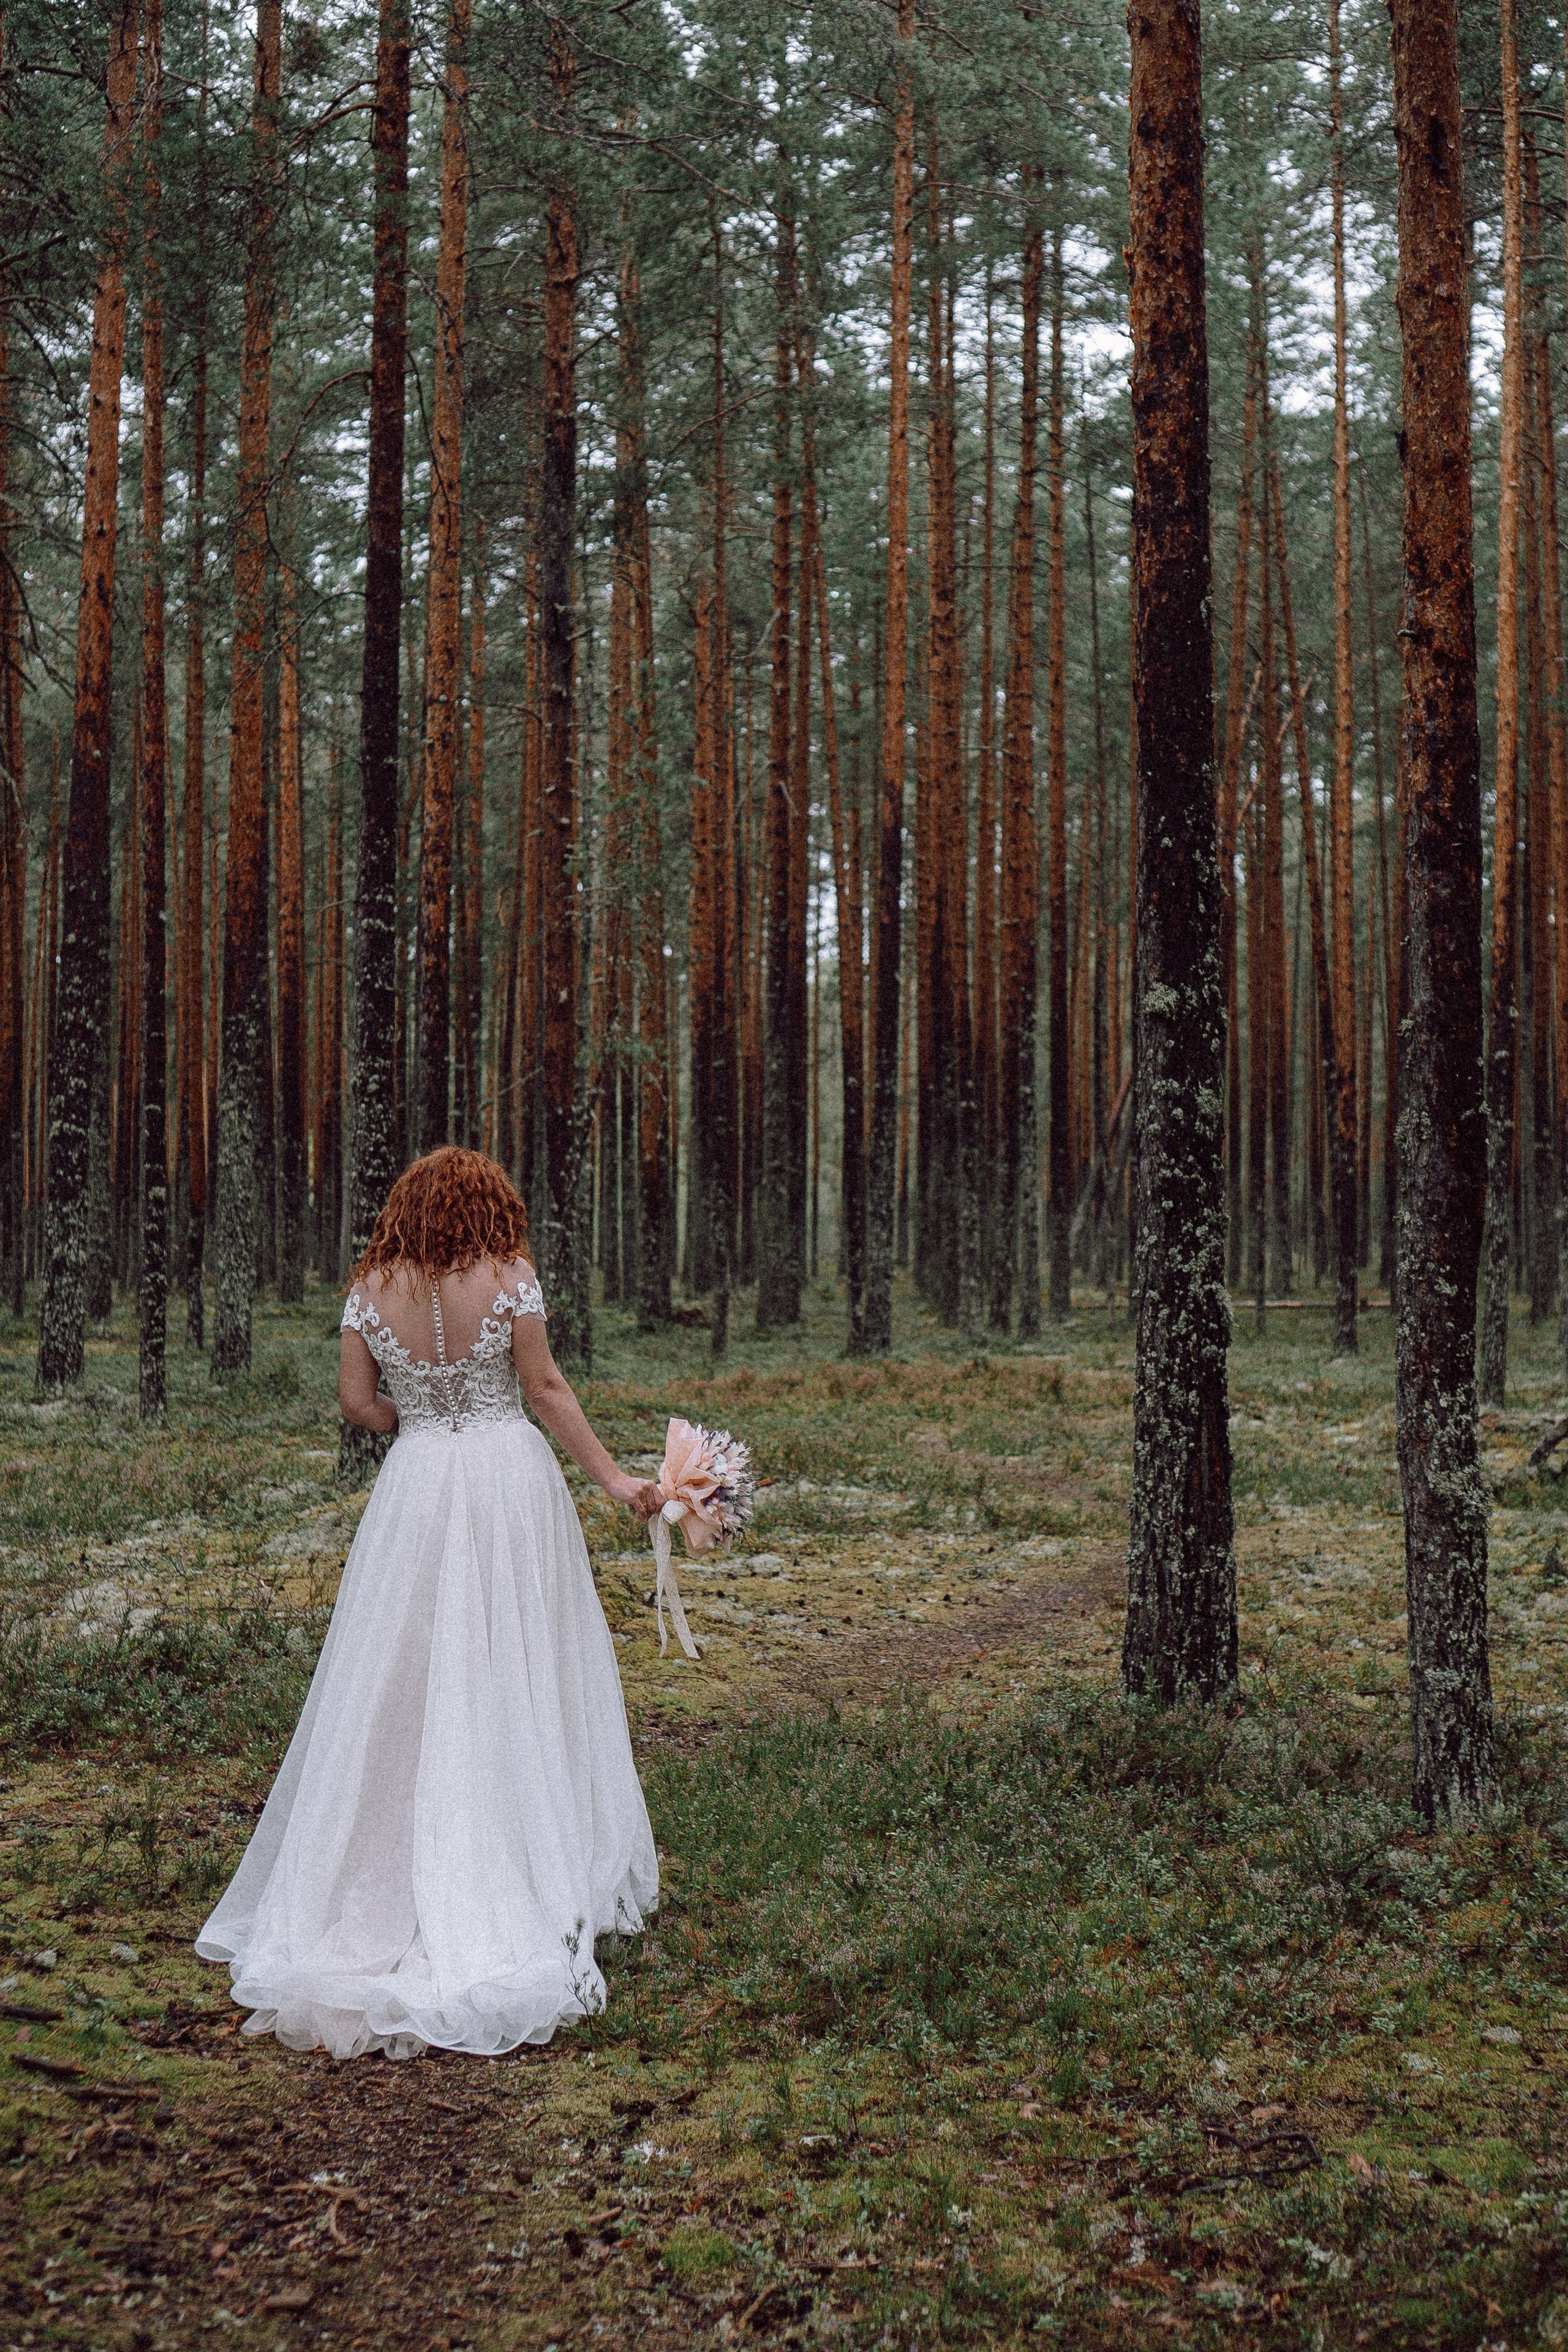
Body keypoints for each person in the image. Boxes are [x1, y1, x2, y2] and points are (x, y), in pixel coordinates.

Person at [195, 1147, 662, 2060]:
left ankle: (387, 1865)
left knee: (403, 1675)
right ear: (491, 1206)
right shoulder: (509, 1277)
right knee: (516, 1662)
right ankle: (524, 1860)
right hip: (505, 1480)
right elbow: (544, 1388)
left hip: (415, 1487)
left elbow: (355, 1402)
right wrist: (615, 1480)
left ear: (406, 1209)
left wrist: (410, 1420)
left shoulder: (372, 1288)